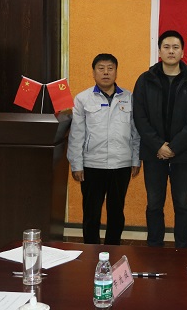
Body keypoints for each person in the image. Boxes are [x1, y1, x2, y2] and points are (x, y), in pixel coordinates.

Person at [133, 30, 187, 248]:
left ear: (182, 52)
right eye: (166, 47)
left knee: (183, 203)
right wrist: (158, 145)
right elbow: (139, 116)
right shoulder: (145, 80)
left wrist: (173, 147)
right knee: (154, 203)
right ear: (159, 51)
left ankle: (183, 248)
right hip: (153, 153)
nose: (171, 51)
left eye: (175, 47)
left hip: (183, 153)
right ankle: (155, 247)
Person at [67, 53, 141, 245]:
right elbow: (76, 134)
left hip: (121, 164)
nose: (106, 72)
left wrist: (135, 159)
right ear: (93, 73)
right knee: (91, 213)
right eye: (101, 68)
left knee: (116, 212)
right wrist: (76, 164)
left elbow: (136, 132)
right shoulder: (82, 99)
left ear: (116, 72)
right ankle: (91, 250)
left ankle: (113, 248)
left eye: (110, 68)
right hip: (92, 164)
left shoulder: (129, 98)